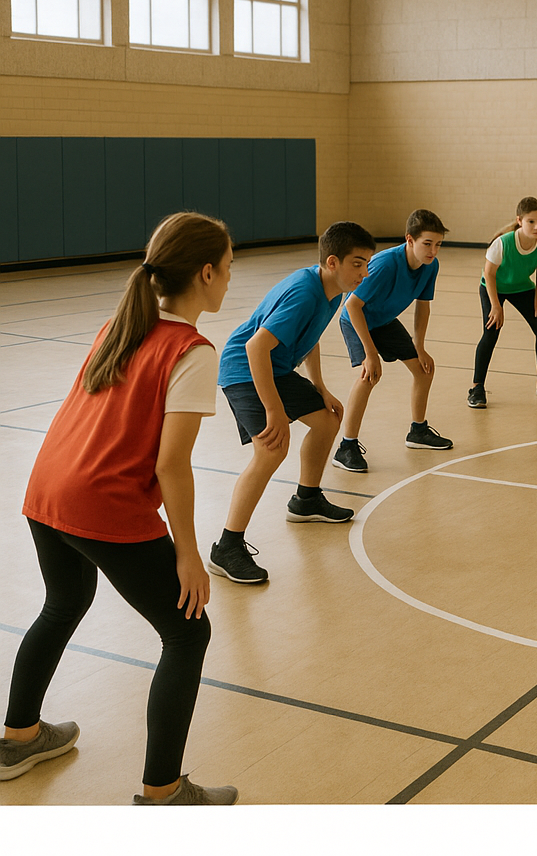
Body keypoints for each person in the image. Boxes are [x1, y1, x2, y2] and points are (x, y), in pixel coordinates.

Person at [1, 213, 237, 805]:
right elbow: (171, 465)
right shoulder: (192, 350)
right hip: (102, 503)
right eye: (228, 269)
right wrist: (188, 553)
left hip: (48, 487)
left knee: (65, 601)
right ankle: (163, 793)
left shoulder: (120, 323)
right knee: (188, 634)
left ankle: (19, 737)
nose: (229, 279)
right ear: (206, 273)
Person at [209, 222, 375, 585]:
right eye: (358, 264)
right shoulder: (304, 292)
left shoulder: (332, 289)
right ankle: (227, 546)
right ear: (333, 262)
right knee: (271, 450)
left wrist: (319, 387)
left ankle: (306, 500)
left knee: (328, 419)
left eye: (367, 264)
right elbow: (255, 347)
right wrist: (274, 410)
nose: (364, 273)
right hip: (244, 370)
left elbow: (309, 337)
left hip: (277, 367)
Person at [332, 209, 454, 473]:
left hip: (384, 320)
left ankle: (418, 432)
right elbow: (352, 306)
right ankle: (346, 447)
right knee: (369, 375)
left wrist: (419, 346)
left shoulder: (430, 266)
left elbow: (423, 307)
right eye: (427, 244)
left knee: (424, 370)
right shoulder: (386, 264)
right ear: (409, 240)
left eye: (438, 245)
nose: (433, 251)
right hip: (357, 320)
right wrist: (370, 352)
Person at [469, 197, 537, 407]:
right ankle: (476, 388)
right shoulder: (503, 243)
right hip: (494, 287)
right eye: (531, 221)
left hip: (520, 286)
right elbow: (489, 274)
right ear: (520, 220)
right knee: (491, 330)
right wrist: (495, 306)